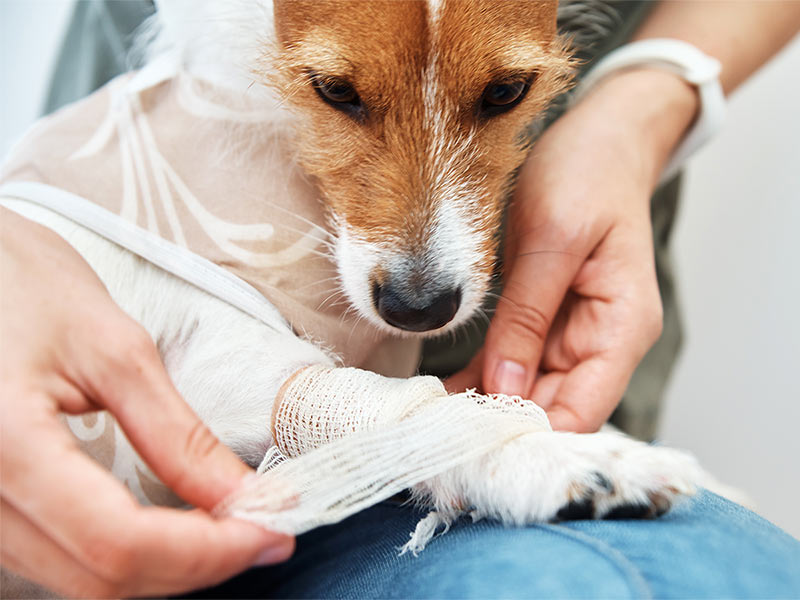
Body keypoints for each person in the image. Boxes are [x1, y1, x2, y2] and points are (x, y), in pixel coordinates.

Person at [2, 1, 799, 597]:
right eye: (341, 92)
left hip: (531, 379)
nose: (420, 266)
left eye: (503, 91)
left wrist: (645, 104)